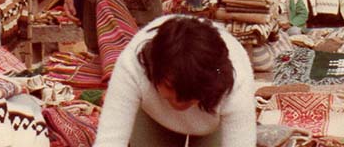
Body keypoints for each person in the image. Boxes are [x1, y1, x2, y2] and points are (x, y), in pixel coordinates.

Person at [94, 15, 255, 147]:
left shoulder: (237, 79)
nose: (178, 103)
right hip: (154, 117)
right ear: (154, 70)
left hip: (209, 125)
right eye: (170, 89)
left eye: (189, 96)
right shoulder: (132, 64)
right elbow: (109, 140)